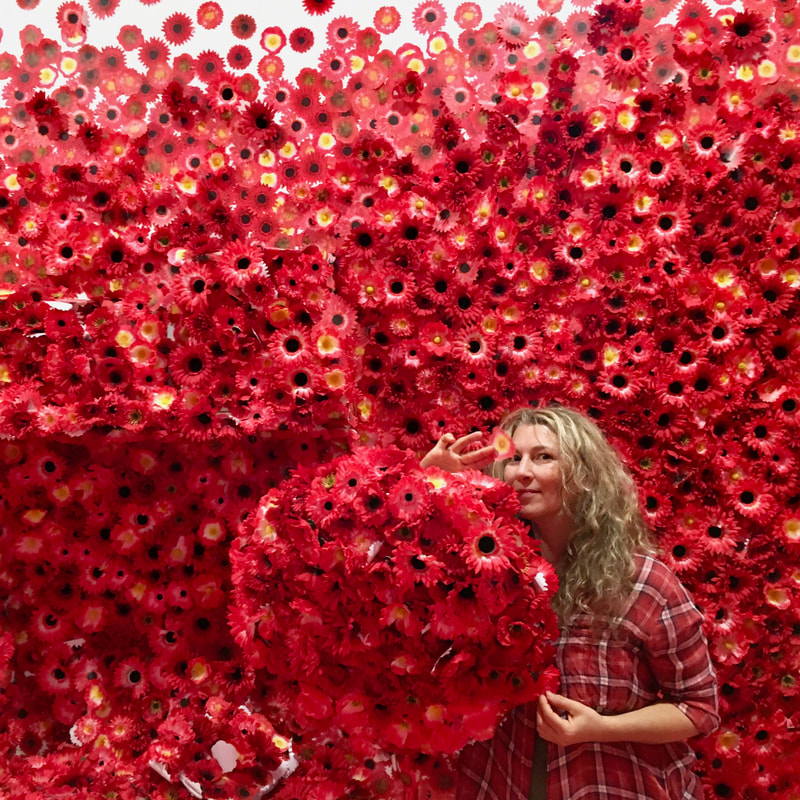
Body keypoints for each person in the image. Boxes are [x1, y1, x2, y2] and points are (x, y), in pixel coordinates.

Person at [421, 405, 719, 800]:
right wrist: (430, 483)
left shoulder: (643, 583)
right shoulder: (484, 571)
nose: (522, 472)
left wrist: (602, 728)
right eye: (513, 459)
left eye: (543, 457)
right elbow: (395, 575)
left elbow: (699, 709)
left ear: (584, 474)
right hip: (502, 779)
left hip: (614, 784)